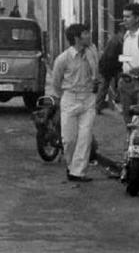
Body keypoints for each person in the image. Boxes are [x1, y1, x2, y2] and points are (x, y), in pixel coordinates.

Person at [50, 23, 100, 182]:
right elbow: (56, 82)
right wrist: (62, 98)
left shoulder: (92, 53)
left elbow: (97, 72)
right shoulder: (63, 59)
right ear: (77, 38)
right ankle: (71, 165)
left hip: (87, 98)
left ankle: (77, 172)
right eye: (85, 33)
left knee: (85, 137)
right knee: (69, 138)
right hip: (70, 98)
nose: (89, 36)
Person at [104, 2, 139, 124]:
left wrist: (135, 70)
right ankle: (130, 142)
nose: (124, 20)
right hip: (126, 83)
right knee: (128, 118)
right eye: (123, 16)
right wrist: (121, 63)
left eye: (128, 17)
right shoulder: (126, 36)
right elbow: (128, 57)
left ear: (137, 18)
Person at [96, 25, 123, 115]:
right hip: (107, 67)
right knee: (104, 87)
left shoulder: (116, 40)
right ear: (121, 32)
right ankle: (97, 106)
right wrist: (126, 59)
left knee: (104, 87)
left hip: (108, 67)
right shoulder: (116, 41)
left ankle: (98, 106)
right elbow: (112, 57)